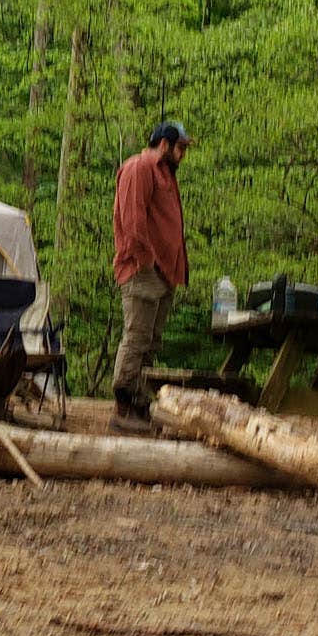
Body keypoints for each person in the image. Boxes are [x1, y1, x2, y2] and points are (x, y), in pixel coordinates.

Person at [111, 120, 191, 430]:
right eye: (180, 147)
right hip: (143, 269)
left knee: (151, 342)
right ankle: (123, 408)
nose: (183, 154)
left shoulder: (164, 174)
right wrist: (146, 261)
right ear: (164, 144)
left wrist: (171, 269)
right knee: (136, 338)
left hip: (164, 273)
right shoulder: (139, 167)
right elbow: (133, 220)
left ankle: (139, 404)